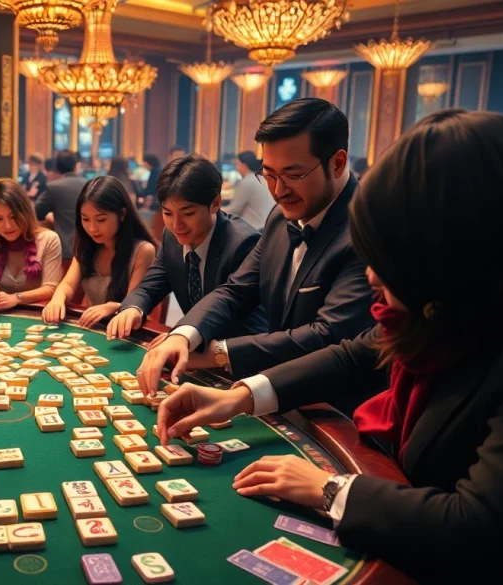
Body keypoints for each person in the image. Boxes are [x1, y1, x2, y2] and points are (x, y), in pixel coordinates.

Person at [156, 110, 503, 584]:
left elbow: (478, 526)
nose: (371, 276)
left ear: (458, 254)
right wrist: (237, 397)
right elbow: (353, 352)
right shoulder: (447, 311)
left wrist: (329, 488)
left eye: (388, 256)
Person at [138, 98, 374, 413]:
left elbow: (326, 336)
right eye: (269, 175)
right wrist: (183, 334)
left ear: (338, 162)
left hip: (337, 415)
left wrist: (218, 353)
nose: (277, 190)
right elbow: (236, 290)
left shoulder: (367, 229)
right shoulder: (280, 218)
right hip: (276, 397)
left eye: (293, 175)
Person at [107, 155, 266, 342]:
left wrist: (184, 337)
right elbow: (151, 286)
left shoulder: (243, 244)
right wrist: (133, 308)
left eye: (188, 213)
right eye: (167, 213)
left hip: (235, 357)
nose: (176, 225)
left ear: (215, 204)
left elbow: (243, 319)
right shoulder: (170, 236)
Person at [42, 176, 156, 327]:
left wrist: (112, 306)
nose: (92, 228)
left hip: (126, 331)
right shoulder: (85, 245)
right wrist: (57, 299)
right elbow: (68, 285)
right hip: (93, 328)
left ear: (122, 214)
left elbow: (135, 303)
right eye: (85, 219)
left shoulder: (143, 251)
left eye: (101, 220)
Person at [0, 181, 63, 311]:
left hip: (37, 316)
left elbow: (51, 288)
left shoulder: (48, 239)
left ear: (25, 212)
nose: (7, 226)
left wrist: (16, 298)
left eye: (13, 217)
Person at [35, 150, 85, 262]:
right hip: (87, 248)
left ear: (57, 167)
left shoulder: (54, 187)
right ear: (76, 166)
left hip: (64, 250)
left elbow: (36, 212)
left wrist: (50, 215)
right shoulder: (89, 184)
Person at [227, 150, 276, 229]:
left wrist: (215, 209)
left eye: (237, 164)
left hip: (252, 229)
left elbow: (234, 210)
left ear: (244, 165)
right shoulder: (261, 178)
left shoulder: (247, 181)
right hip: (265, 227)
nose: (236, 168)